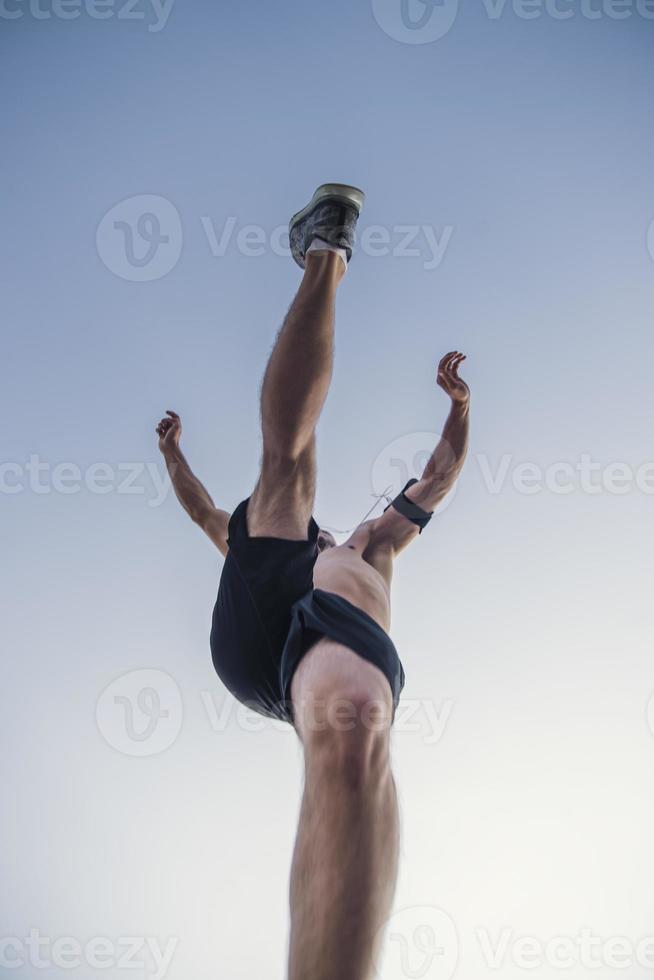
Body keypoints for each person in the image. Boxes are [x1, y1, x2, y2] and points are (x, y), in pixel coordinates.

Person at [156, 183, 470, 980]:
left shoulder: (370, 547)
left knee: (362, 715)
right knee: (288, 473)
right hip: (262, 622)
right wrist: (172, 456)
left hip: (314, 647)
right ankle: (325, 252)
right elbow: (200, 512)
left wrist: (459, 409)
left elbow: (434, 481)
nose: (340, 531)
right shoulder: (270, 537)